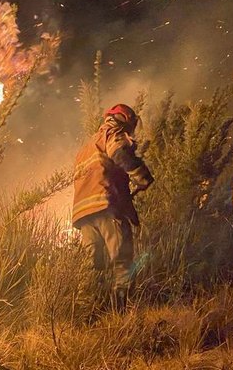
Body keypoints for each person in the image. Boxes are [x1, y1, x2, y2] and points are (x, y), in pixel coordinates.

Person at [72, 104, 154, 310]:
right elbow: (121, 155)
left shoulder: (86, 146)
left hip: (83, 212)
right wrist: (142, 176)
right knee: (122, 260)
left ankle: (87, 314)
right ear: (126, 120)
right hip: (106, 206)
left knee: (92, 266)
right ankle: (121, 313)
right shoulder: (114, 133)